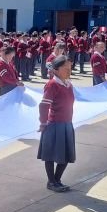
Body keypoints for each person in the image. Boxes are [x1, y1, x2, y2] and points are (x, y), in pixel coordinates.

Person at [38, 55, 76, 192]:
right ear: (56, 70)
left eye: (70, 68)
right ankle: (52, 182)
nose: (68, 70)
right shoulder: (52, 85)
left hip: (67, 124)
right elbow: (43, 106)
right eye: (65, 68)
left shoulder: (68, 84)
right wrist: (43, 123)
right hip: (54, 124)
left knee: (65, 155)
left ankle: (57, 180)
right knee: (50, 155)